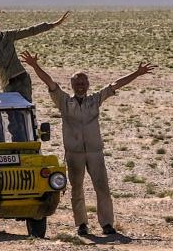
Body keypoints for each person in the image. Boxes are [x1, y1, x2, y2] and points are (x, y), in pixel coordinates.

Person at [20, 51, 155, 237]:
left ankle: (107, 224)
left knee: (103, 188)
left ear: (88, 85)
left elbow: (116, 84)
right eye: (77, 84)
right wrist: (35, 66)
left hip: (95, 152)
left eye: (83, 83)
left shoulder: (95, 100)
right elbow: (49, 82)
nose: (80, 86)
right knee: (77, 190)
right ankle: (82, 224)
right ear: (72, 85)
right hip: (74, 153)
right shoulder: (64, 101)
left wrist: (137, 73)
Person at [0, 11, 70, 101]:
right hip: (7, 84)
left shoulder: (8, 36)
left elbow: (30, 31)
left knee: (26, 109)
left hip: (22, 79)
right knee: (12, 111)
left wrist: (53, 24)